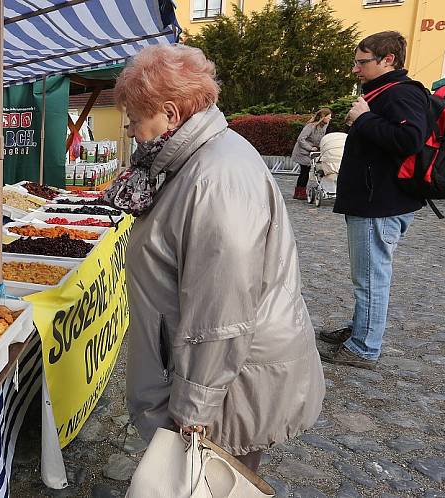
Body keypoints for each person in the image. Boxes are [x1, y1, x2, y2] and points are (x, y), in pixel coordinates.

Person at [103, 45, 325, 472]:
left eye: (134, 118)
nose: (130, 130)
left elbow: (221, 315)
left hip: (229, 383)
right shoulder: (194, 159)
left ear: (169, 113)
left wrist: (194, 410)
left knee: (217, 478)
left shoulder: (216, 180)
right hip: (221, 371)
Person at [319, 31, 429, 369]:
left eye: (362, 62)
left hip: (379, 203)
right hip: (380, 200)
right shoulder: (389, 92)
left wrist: (363, 119)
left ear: (388, 60)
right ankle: (361, 330)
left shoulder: (400, 94)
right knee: (369, 274)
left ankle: (364, 346)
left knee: (371, 277)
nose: (356, 69)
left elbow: (410, 139)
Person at [291, 109, 331, 199]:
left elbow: (321, 138)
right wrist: (310, 148)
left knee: (306, 172)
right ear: (323, 117)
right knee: (304, 171)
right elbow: (301, 139)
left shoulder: (324, 126)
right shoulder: (310, 126)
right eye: (328, 117)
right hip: (303, 152)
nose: (329, 119)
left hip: (312, 152)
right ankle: (299, 192)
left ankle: (300, 192)